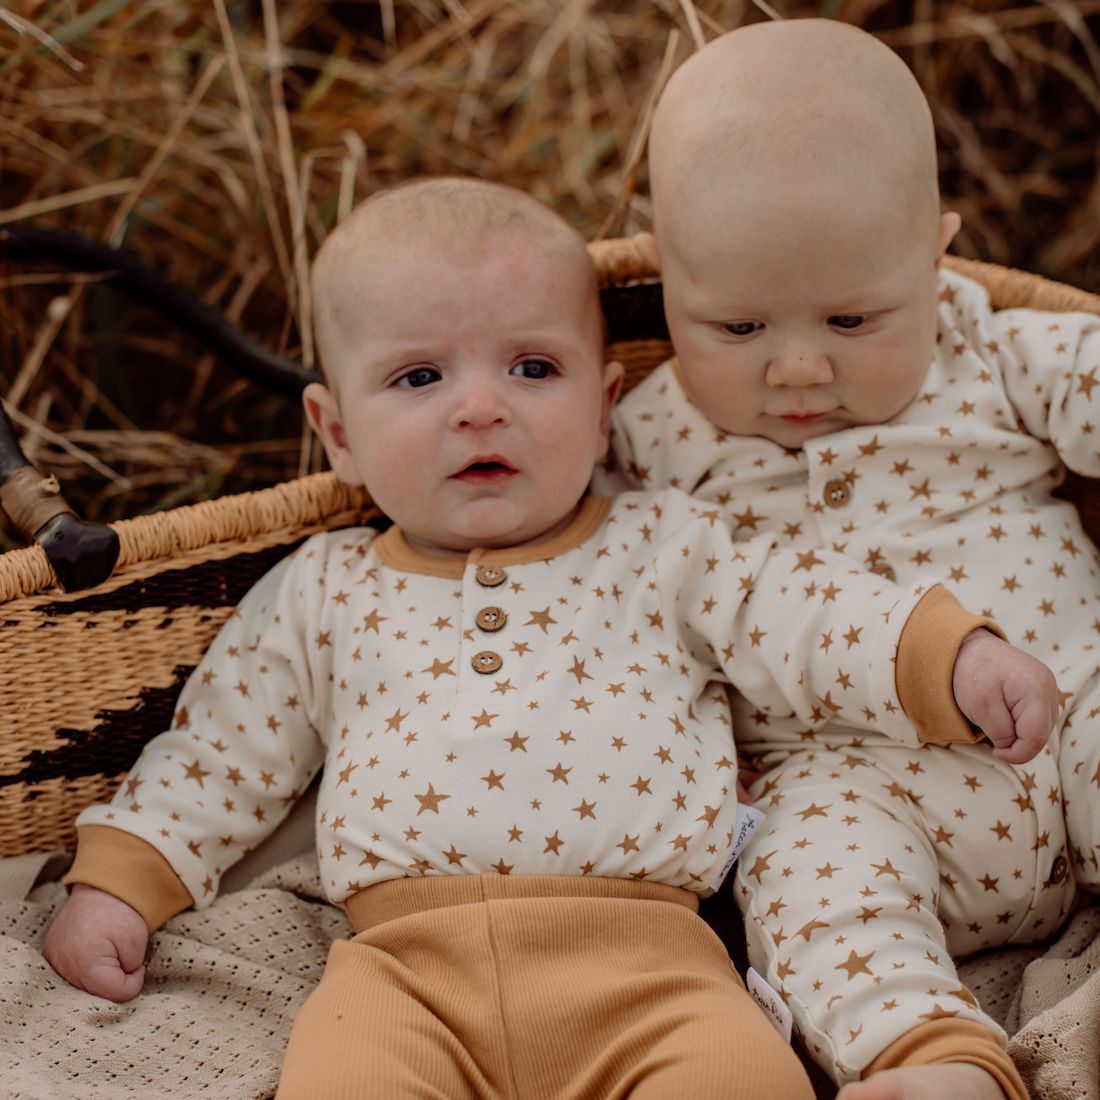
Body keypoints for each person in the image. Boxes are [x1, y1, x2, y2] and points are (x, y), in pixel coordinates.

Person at [41, 178, 1057, 1100]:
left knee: (740, 1078)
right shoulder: (323, 588)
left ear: (603, 405)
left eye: (533, 367)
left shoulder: (667, 546)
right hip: (400, 977)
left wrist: (951, 656)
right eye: (418, 378)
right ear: (337, 431)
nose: (481, 408)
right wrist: (119, 884)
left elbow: (805, 612)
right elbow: (221, 753)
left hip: (656, 968)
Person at [600, 17, 1100, 1100]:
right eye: (736, 327)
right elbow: (597, 598)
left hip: (1075, 701)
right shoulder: (644, 439)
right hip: (849, 774)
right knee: (810, 878)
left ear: (934, 254)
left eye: (850, 318)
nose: (796, 367)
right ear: (662, 274)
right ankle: (929, 1056)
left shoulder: (984, 345)